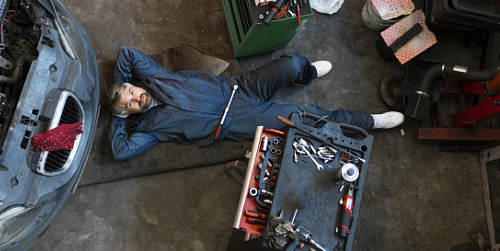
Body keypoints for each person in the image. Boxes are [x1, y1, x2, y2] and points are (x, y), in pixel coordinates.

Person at [107, 46, 404, 161]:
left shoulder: (154, 77)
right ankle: (371, 122)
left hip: (239, 88)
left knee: (291, 64)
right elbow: (121, 151)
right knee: (309, 120)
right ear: (130, 112)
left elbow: (126, 54)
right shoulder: (150, 129)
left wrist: (118, 86)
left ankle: (308, 74)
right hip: (241, 120)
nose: (137, 98)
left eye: (132, 92)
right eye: (131, 104)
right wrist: (117, 114)